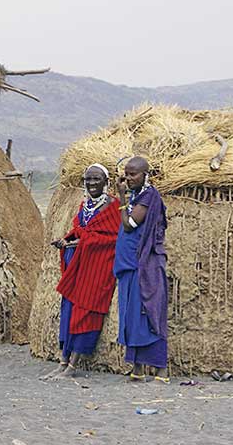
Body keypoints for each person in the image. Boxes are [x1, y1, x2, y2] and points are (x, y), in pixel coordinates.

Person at [42, 163, 121, 380]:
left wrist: (82, 241)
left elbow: (114, 238)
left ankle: (73, 366)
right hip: (78, 264)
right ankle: (63, 361)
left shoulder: (113, 206)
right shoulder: (85, 205)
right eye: (88, 179)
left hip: (97, 267)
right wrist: (67, 240)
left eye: (96, 179)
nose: (92, 183)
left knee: (86, 310)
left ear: (106, 182)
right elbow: (80, 230)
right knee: (69, 308)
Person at [113, 155, 168, 381]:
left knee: (147, 315)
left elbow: (129, 225)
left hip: (142, 267)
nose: (128, 178)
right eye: (126, 173)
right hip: (129, 267)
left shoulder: (148, 197)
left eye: (133, 174)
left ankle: (160, 369)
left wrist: (121, 197)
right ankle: (136, 369)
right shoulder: (137, 196)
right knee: (131, 317)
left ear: (146, 174)